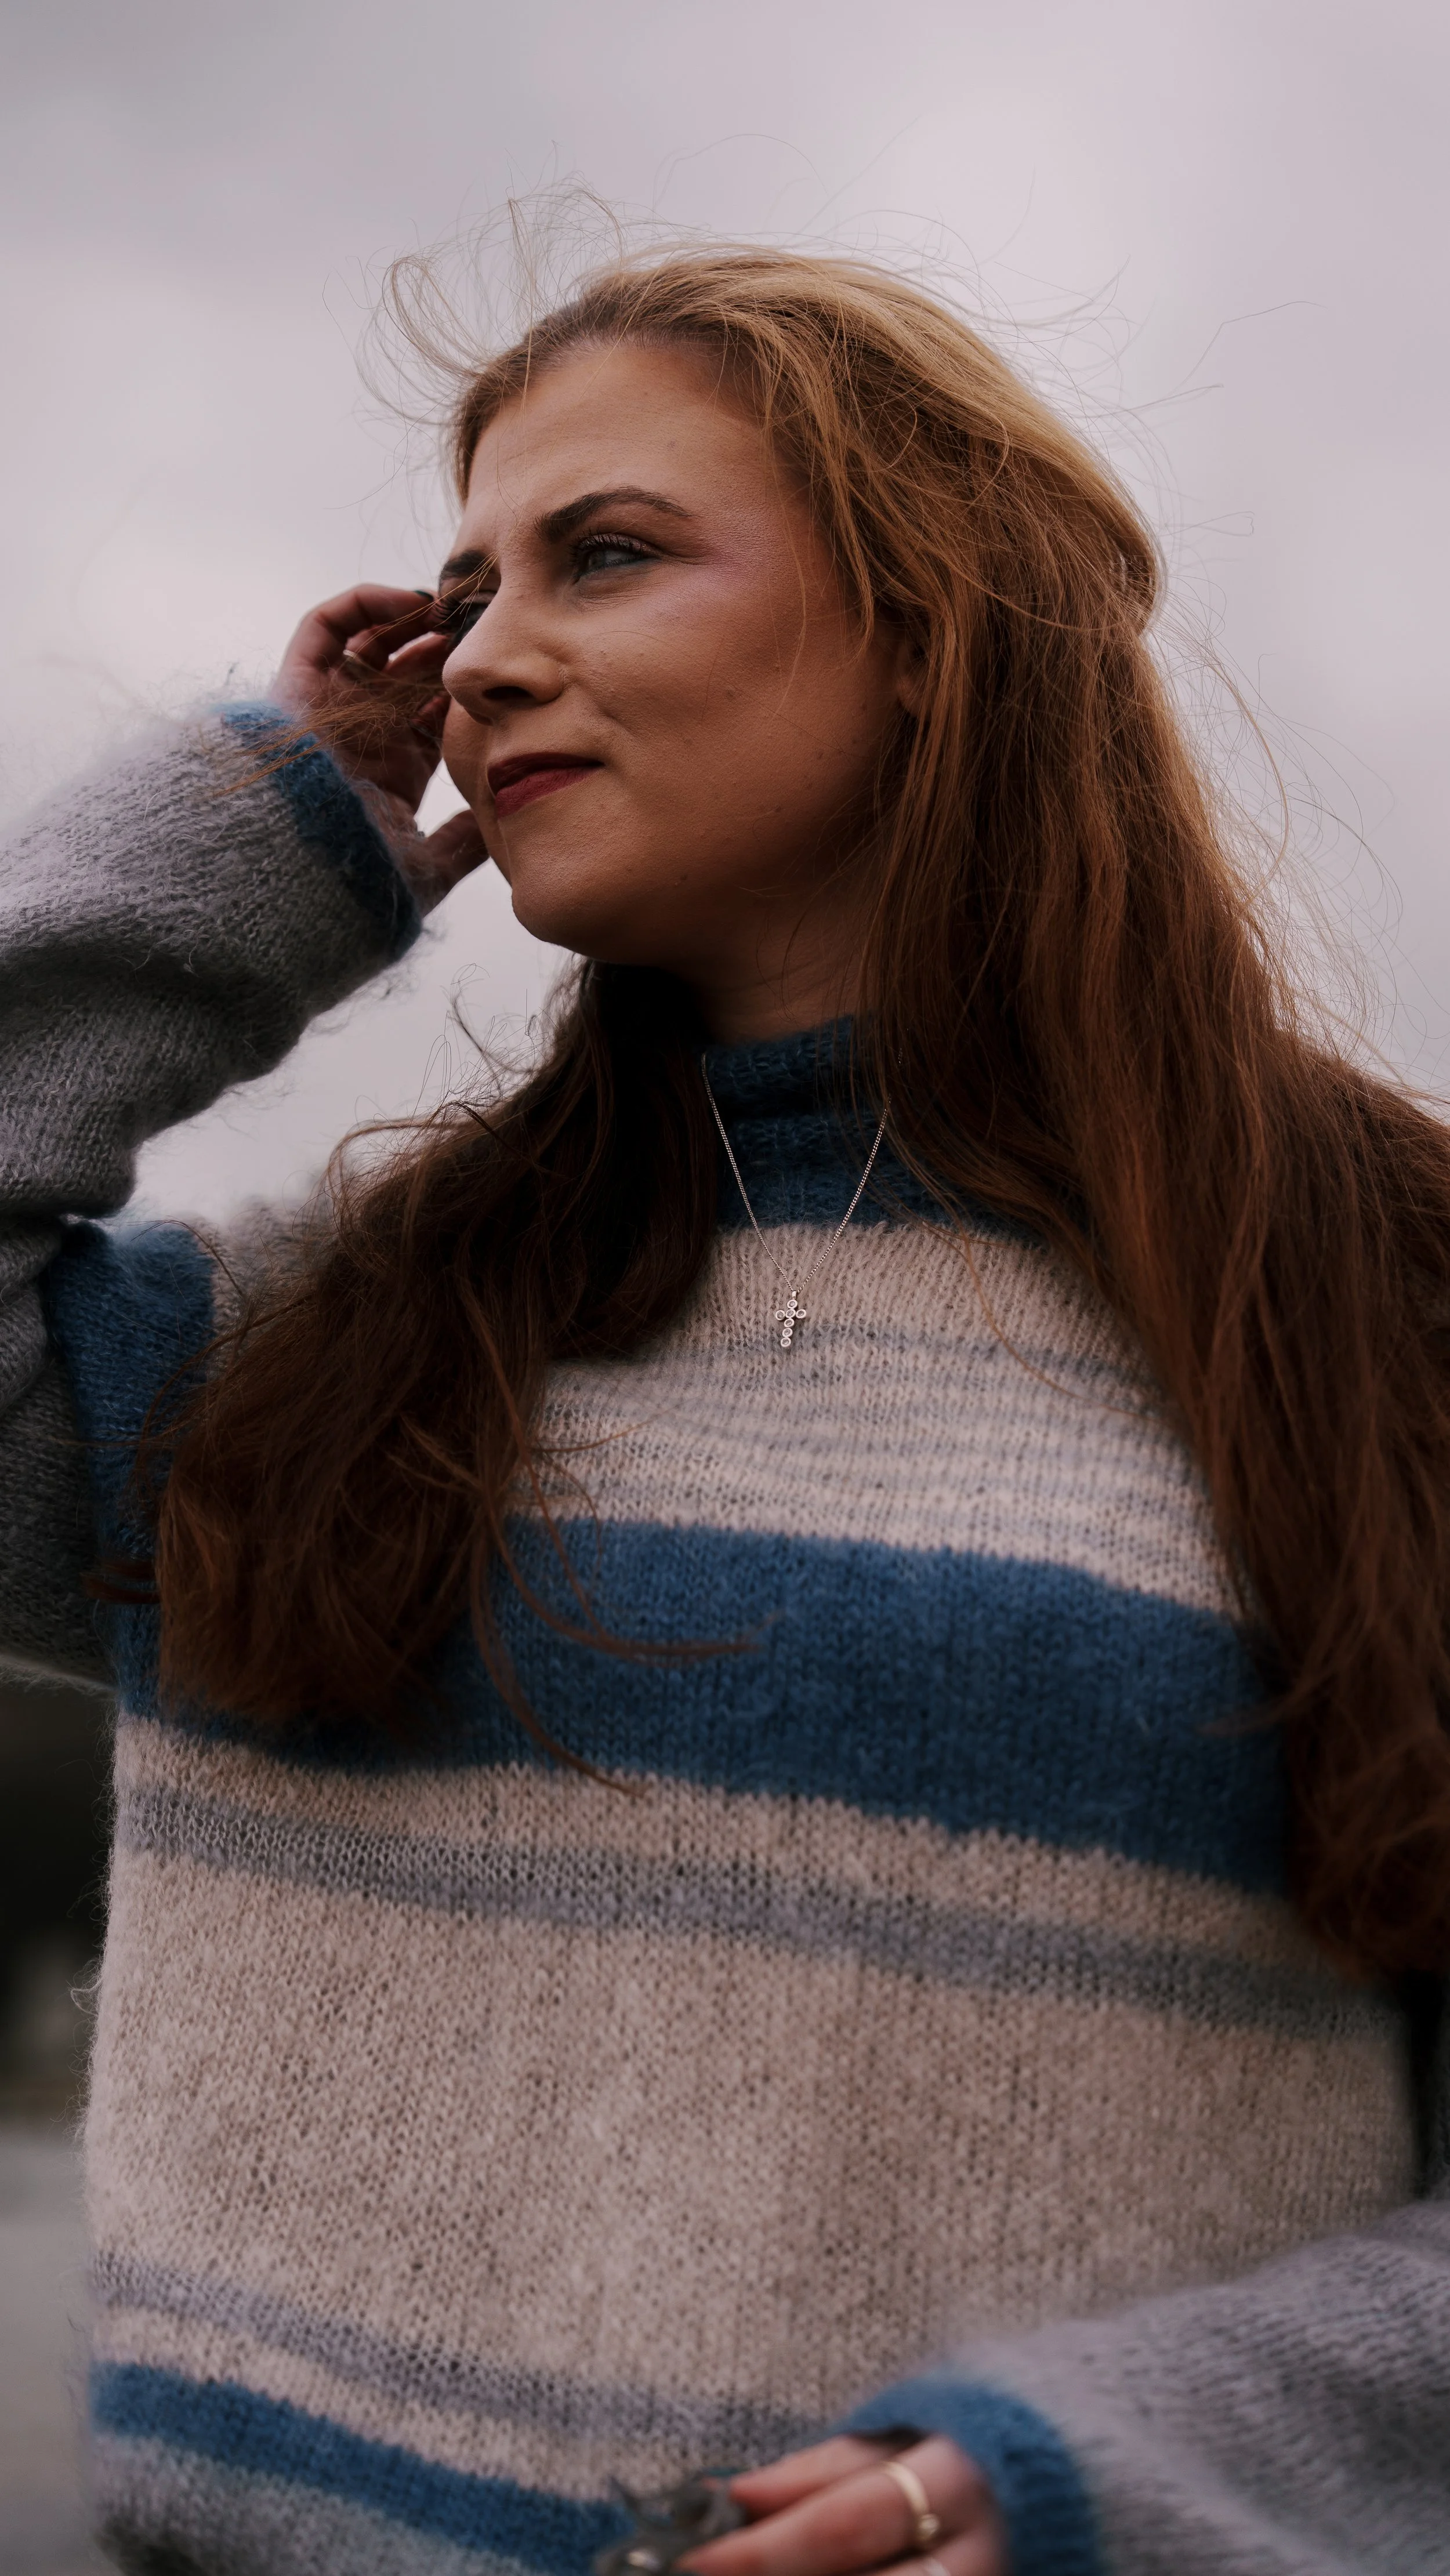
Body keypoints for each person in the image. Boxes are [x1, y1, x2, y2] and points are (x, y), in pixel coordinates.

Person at [3, 244, 1448, 2576]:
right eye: (462, 590)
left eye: (608, 554)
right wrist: (260, 837)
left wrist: (1121, 2464)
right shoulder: (304, 1356)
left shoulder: (1388, 1303)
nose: (479, 658)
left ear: (932, 624)